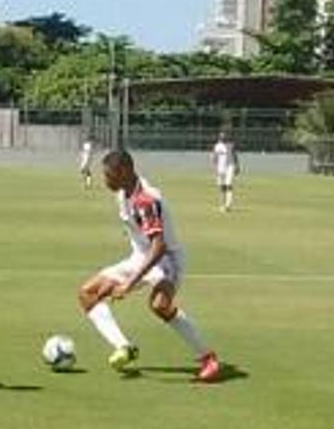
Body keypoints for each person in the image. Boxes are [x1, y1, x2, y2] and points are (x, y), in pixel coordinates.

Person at [76, 149, 224, 383]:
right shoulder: (123, 193)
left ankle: (208, 357)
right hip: (141, 256)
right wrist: (120, 279)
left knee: (159, 305)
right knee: (87, 294)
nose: (105, 181)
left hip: (167, 260)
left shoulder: (145, 200)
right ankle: (124, 347)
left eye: (109, 175)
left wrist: (129, 283)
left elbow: (159, 247)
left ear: (124, 171)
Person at [211, 131, 240, 212]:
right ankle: (222, 205)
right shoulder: (216, 146)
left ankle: (228, 205)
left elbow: (235, 155)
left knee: (229, 185)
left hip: (229, 167)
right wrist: (215, 168)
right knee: (221, 187)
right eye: (221, 136)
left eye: (224, 136)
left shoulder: (230, 145)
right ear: (219, 137)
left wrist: (237, 166)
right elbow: (214, 158)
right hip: (220, 169)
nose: (222, 138)